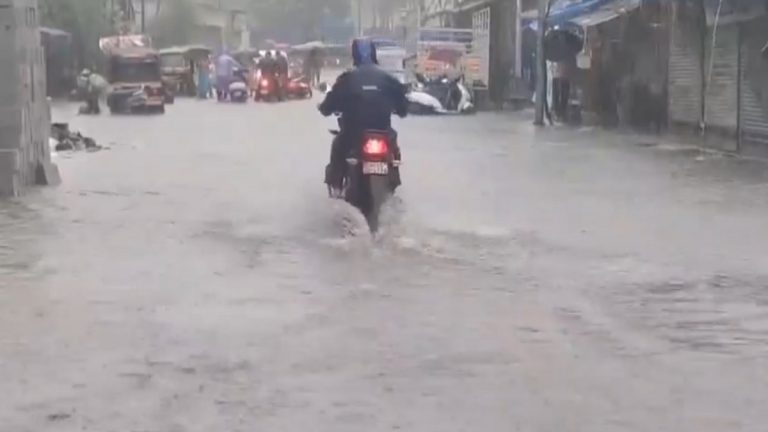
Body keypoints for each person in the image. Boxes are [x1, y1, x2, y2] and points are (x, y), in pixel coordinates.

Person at [318, 38, 408, 193]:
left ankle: (337, 186)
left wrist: (325, 108)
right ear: (374, 55)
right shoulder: (388, 80)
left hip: (353, 133)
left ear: (354, 56)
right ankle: (393, 180)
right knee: (393, 144)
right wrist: (400, 110)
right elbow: (403, 107)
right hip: (383, 131)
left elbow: (328, 105)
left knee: (338, 145)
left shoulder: (347, 79)